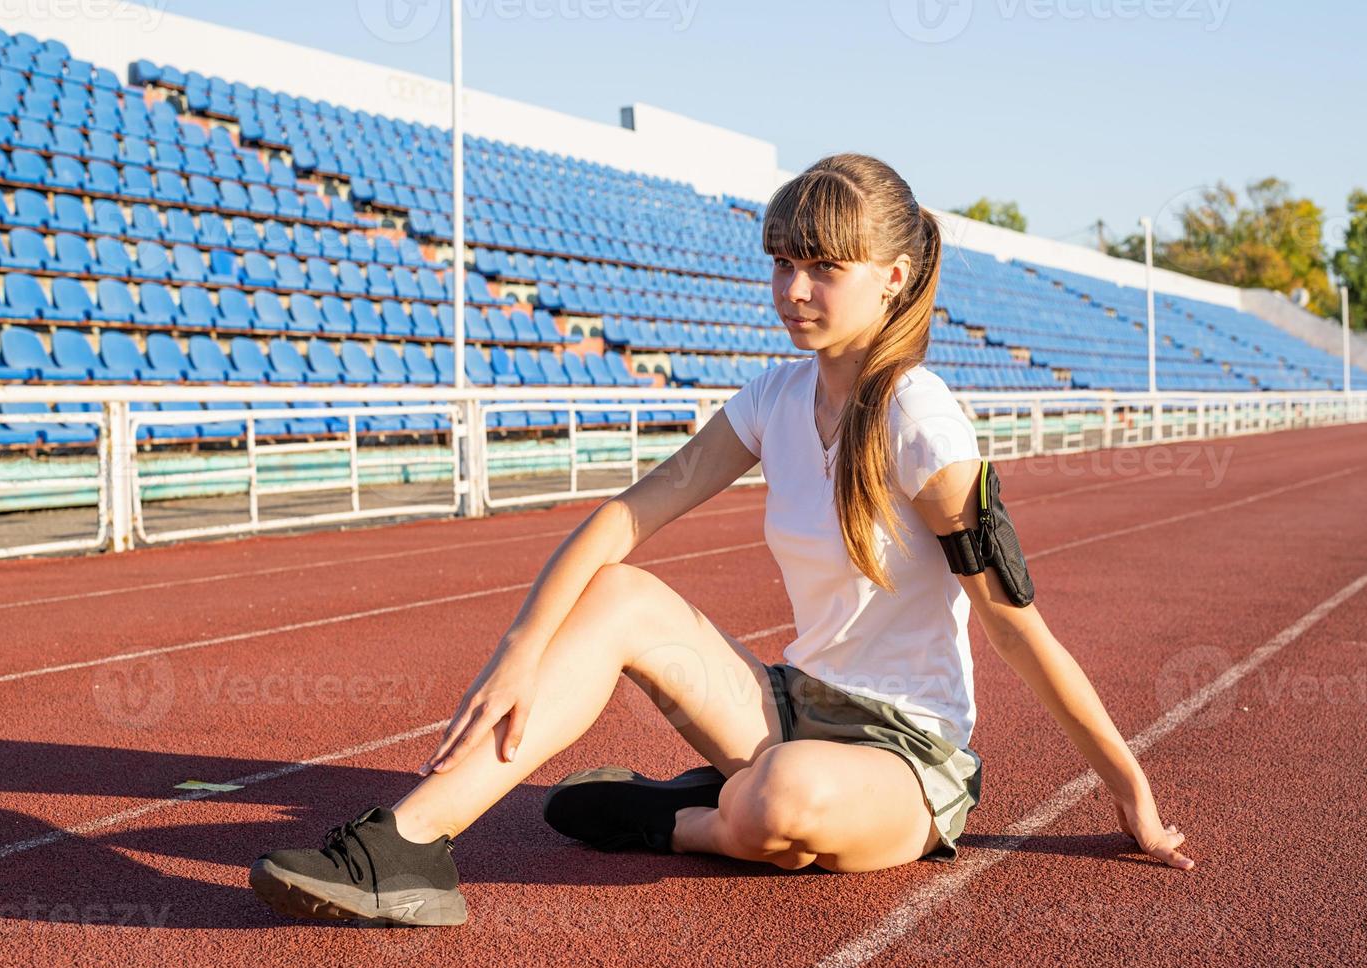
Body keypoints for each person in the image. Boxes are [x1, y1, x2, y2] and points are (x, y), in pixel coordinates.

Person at [249, 153, 1193, 928]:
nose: (793, 289)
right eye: (782, 262)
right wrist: (518, 652)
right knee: (617, 592)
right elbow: (628, 514)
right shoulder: (774, 397)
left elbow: (1015, 624)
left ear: (893, 276)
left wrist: (1129, 791)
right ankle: (401, 846)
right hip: (786, 704)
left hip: (906, 755)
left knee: (782, 801)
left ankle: (679, 819)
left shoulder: (920, 420)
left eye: (823, 267)